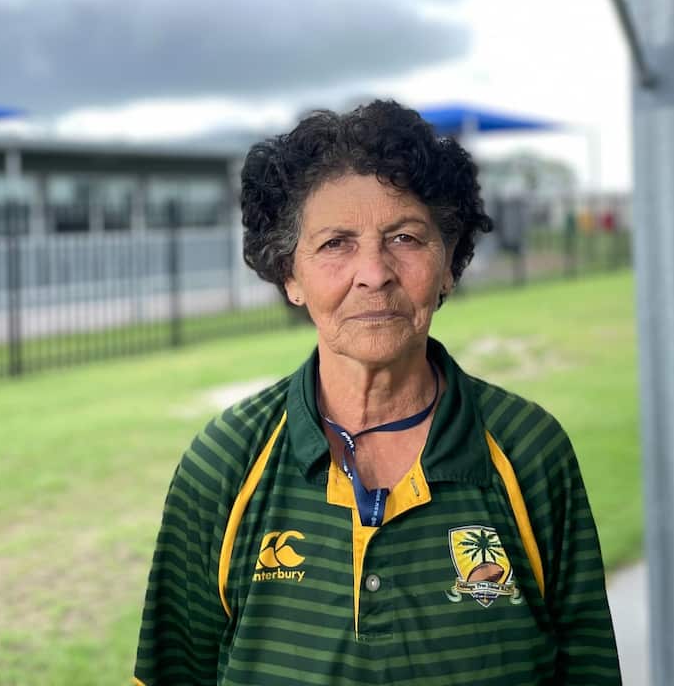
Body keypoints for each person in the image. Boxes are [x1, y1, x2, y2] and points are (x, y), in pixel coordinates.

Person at [134, 100, 620, 685]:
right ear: (291, 274)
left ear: (449, 264)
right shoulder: (224, 463)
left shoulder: (530, 453)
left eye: (405, 237)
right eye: (336, 243)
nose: (374, 272)